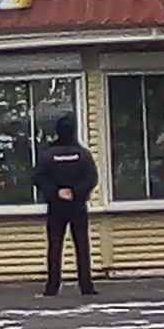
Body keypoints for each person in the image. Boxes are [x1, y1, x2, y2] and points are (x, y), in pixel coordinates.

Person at [32, 114, 99, 298]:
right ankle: (86, 285)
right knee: (82, 245)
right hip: (77, 205)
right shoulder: (83, 154)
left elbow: (38, 177)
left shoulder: (48, 155)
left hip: (56, 206)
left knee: (55, 245)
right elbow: (92, 178)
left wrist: (56, 192)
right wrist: (76, 192)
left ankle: (52, 286)